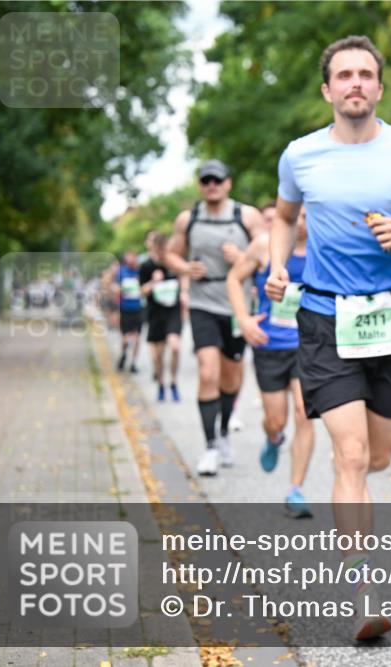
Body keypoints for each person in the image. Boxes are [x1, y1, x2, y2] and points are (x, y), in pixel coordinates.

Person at [266, 35, 391, 641]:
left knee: (374, 456)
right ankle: (362, 592)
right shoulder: (300, 156)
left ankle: (353, 498)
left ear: (379, 86)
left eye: (365, 74)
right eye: (343, 75)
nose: (354, 83)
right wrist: (275, 265)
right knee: (349, 457)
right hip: (324, 319)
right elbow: (285, 217)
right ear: (327, 90)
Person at [167, 159, 265, 476]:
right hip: (202, 302)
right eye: (206, 180)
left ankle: (223, 432)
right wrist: (184, 268)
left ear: (228, 183)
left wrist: (243, 258)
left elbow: (269, 252)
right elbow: (170, 253)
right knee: (208, 372)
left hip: (237, 306)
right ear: (200, 184)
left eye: (217, 180)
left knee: (231, 376)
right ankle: (209, 446)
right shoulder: (189, 218)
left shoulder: (245, 216)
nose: (212, 185)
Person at [227, 207, 316, 517]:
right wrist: (244, 319)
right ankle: (273, 437)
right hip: (269, 344)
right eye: (298, 215)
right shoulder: (265, 245)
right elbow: (234, 278)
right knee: (276, 419)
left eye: (309, 215)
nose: (302, 221)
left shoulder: (324, 246)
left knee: (306, 413)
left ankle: (296, 490)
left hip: (309, 346)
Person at [139, 233, 185, 402]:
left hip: (173, 312)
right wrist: (153, 283)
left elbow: (184, 276)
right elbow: (141, 291)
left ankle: (173, 383)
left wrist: (185, 293)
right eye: (160, 250)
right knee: (158, 357)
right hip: (155, 313)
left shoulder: (174, 264)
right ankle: (161, 384)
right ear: (155, 249)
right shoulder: (146, 266)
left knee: (175, 347)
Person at [115, 251, 144, 373]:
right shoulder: (121, 271)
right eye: (129, 257)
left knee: (137, 337)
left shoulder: (140, 272)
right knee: (126, 338)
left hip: (138, 308)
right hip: (125, 309)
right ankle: (124, 354)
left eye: (134, 257)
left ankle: (133, 363)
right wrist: (119, 290)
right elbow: (113, 286)